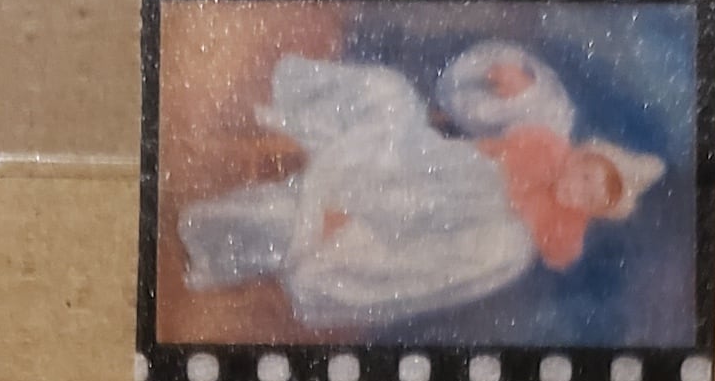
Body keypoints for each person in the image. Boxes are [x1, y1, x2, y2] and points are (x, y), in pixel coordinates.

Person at [177, 44, 664, 331]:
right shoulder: (548, 138)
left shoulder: (514, 242)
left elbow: (423, 261)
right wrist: (520, 85)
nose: (579, 189)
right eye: (587, 175)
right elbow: (485, 97)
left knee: (300, 220)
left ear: (590, 213)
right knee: (387, 91)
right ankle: (262, 106)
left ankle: (207, 239)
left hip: (390, 215)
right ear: (583, 157)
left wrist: (356, 226)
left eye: (591, 197)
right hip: (414, 157)